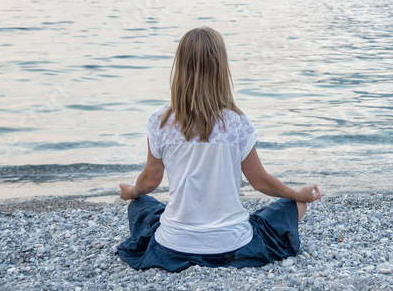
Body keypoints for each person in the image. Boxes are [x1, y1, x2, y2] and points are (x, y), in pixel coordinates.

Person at [116, 26, 323, 272]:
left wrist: (132, 192)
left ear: (179, 68)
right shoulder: (237, 122)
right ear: (220, 69)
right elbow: (260, 182)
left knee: (138, 205)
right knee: (296, 206)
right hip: (231, 243)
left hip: (173, 243)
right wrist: (298, 195)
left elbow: (150, 180)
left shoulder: (159, 121)